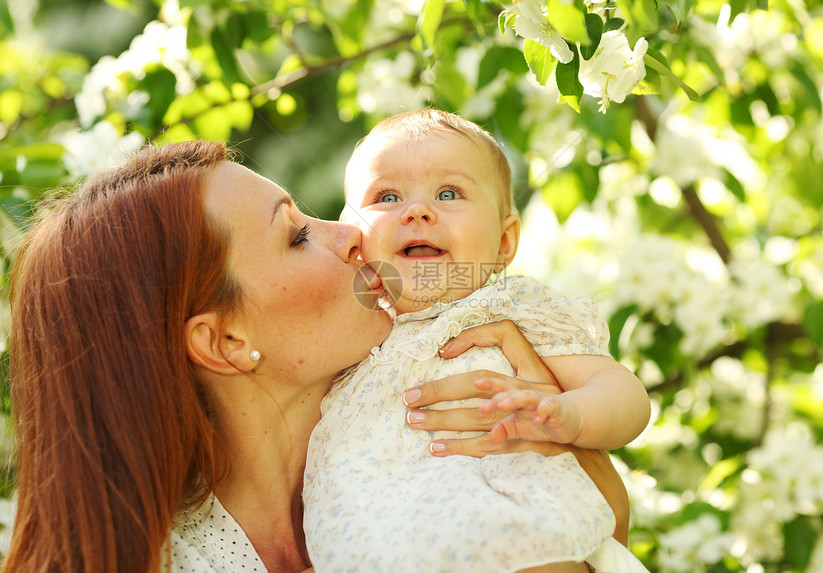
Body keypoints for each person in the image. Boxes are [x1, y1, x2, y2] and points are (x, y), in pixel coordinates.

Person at [2, 140, 629, 573]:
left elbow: (601, 523)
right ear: (224, 343)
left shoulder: (445, 390)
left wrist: (571, 450)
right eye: (298, 235)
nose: (351, 234)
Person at [303, 109, 651, 572]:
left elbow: (621, 391)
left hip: (517, 531)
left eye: (449, 193)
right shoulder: (351, 336)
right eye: (387, 196)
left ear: (505, 243)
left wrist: (574, 417)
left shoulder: (513, 307)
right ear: (353, 236)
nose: (417, 210)